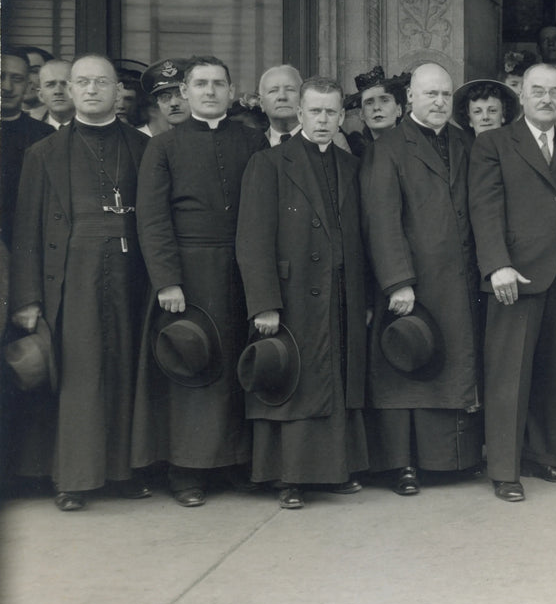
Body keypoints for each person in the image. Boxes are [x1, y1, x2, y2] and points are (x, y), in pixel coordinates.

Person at [10, 55, 151, 510]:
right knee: (79, 377)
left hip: (131, 277)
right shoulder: (43, 153)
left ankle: (123, 471)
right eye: (83, 82)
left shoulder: (144, 147)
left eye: (102, 83)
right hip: (70, 279)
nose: (92, 90)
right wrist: (27, 298)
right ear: (69, 91)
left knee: (128, 372)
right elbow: (26, 231)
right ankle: (73, 478)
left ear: (118, 93)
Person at [133, 55, 267, 506]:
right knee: (192, 364)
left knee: (237, 365)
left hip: (243, 270)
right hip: (188, 274)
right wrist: (168, 281)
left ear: (231, 92)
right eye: (201, 84)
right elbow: (153, 221)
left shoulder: (253, 142)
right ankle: (186, 470)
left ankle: (234, 463)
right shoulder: (163, 147)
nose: (210, 92)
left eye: (218, 84)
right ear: (184, 93)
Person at [236, 77, 369, 508]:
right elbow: (252, 239)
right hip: (291, 295)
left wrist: (363, 299)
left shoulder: (351, 167)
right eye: (316, 111)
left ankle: (333, 471)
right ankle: (288, 478)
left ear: (343, 116)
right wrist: (264, 303)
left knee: (332, 379)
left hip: (339, 292)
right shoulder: (270, 163)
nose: (324, 120)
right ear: (300, 112)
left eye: (333, 112)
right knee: (295, 382)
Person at [361, 62, 483, 495]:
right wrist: (397, 281)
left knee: (450, 367)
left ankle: (449, 461)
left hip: (457, 279)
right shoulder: (389, 146)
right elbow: (381, 219)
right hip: (414, 283)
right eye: (430, 94)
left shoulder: (464, 141)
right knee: (408, 371)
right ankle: (404, 465)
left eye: (445, 95)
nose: (438, 102)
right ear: (409, 98)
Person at [471, 63, 556, 502]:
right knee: (508, 376)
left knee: (551, 372)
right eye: (538, 90)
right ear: (521, 96)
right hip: (513, 275)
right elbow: (484, 206)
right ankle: (504, 468)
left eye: (555, 92)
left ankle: (542, 456)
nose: (547, 99)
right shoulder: (494, 144)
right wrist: (496, 264)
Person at [1, 50, 54, 247]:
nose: (7, 87)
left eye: (17, 79)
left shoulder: (45, 136)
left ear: (27, 85)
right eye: (1, 76)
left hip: (24, 245)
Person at [345, 66, 407, 156]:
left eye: (385, 100)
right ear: (361, 114)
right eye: (369, 103)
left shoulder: (414, 151)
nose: (377, 107)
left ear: (399, 110)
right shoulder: (356, 158)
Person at [137, 59, 190, 138]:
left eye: (180, 94)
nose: (174, 103)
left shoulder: (211, 139)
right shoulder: (154, 144)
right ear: (157, 104)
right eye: (165, 97)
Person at [257, 64, 303, 147]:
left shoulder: (326, 143)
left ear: (303, 98)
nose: (282, 97)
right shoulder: (252, 146)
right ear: (261, 103)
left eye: (290, 89)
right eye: (273, 91)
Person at [455, 78, 520, 137]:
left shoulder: (515, 149)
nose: (485, 117)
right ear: (469, 120)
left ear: (503, 115)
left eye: (492, 111)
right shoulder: (461, 149)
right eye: (477, 111)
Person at [36, 59, 74, 128]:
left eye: (65, 84)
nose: (58, 91)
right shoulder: (31, 131)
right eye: (50, 85)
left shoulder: (96, 132)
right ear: (40, 95)